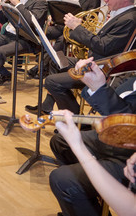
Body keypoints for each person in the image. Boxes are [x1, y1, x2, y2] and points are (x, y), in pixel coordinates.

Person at [48, 56, 136, 216]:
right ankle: (87, 205)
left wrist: (100, 89)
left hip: (130, 143)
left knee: (62, 180)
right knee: (60, 141)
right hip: (128, 137)